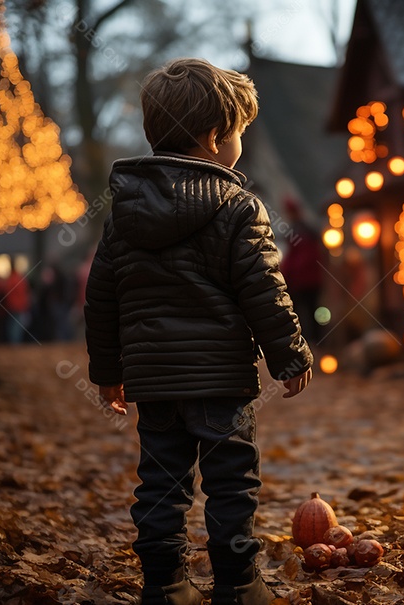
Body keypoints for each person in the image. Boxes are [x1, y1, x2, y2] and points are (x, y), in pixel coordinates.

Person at [84, 57, 313, 605]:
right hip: (220, 383)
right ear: (214, 138)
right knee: (231, 482)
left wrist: (108, 374)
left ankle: (164, 584)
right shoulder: (238, 208)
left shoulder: (124, 215)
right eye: (237, 132)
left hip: (154, 383)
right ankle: (238, 584)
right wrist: (291, 354)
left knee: (161, 483)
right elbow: (264, 291)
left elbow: (102, 297)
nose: (240, 142)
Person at [279, 198, 324, 342]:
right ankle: (314, 341)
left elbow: (297, 259)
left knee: (301, 312)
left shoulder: (298, 231)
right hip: (312, 280)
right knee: (311, 310)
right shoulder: (308, 230)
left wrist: (285, 273)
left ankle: (306, 341)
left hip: (301, 281)